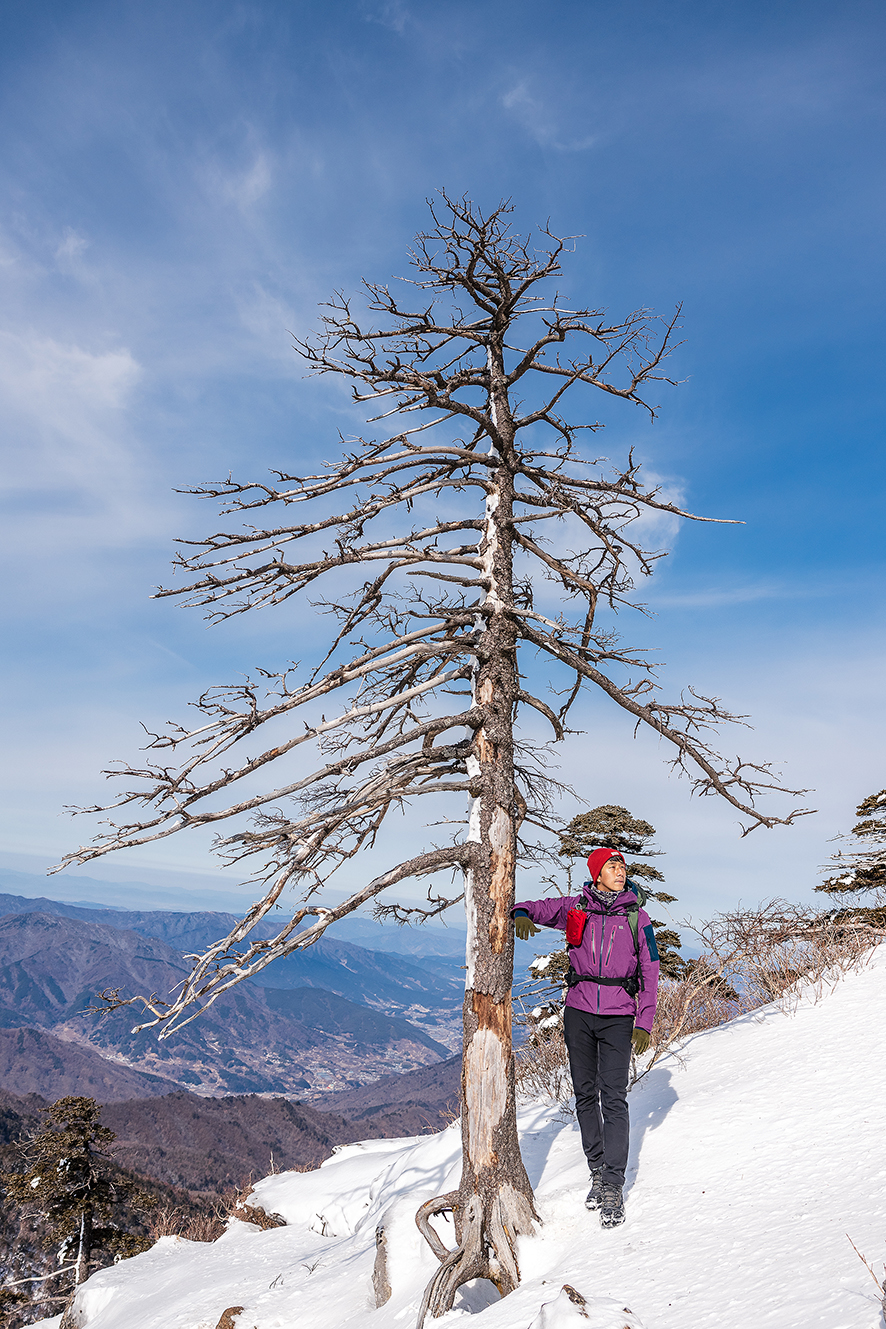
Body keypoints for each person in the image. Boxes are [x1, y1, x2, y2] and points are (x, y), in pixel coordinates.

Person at [513, 846, 660, 1228]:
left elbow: (651, 969)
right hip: (578, 1012)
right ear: (597, 872)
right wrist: (521, 913)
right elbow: (538, 906)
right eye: (612, 865)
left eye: (623, 866)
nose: (620, 871)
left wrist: (644, 1022)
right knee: (584, 1094)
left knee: (614, 1099)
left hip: (618, 1015)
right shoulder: (577, 907)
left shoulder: (637, 917)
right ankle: (596, 1170)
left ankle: (613, 1183)